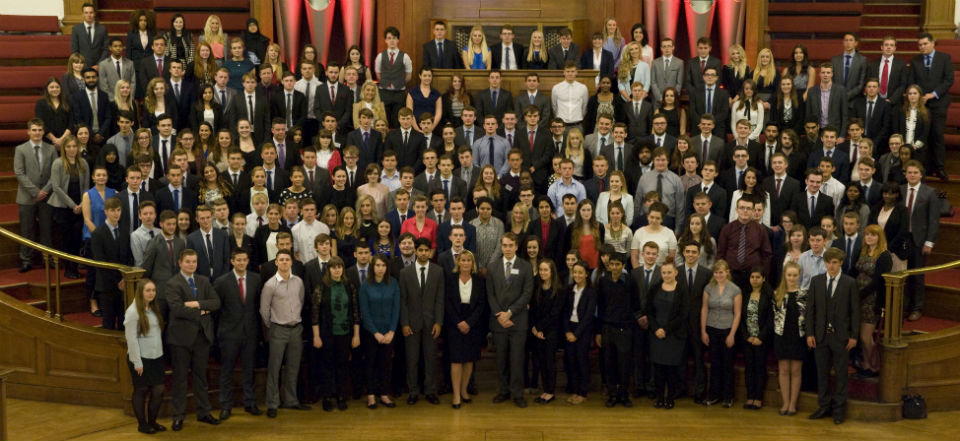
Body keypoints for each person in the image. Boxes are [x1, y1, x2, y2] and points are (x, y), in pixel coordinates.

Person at [164, 249, 221, 430]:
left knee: (201, 378)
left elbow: (216, 302)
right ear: (180, 263)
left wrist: (196, 304)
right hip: (180, 339)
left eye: (194, 261)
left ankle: (204, 412)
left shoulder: (203, 280)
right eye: (188, 261)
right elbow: (177, 309)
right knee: (180, 379)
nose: (191, 264)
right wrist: (202, 312)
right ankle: (178, 415)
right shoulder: (173, 283)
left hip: (202, 337)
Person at [806, 247, 859, 424]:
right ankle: (823, 406)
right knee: (822, 374)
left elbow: (855, 312)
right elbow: (810, 310)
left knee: (842, 375)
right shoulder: (816, 281)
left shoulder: (850, 283)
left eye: (834, 262)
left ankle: (839, 410)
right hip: (820, 336)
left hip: (841, 337)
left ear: (841, 263)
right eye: (828, 262)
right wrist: (810, 333)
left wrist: (854, 336)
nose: (831, 266)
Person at [212, 249, 262, 419]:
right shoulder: (221, 282)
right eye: (238, 260)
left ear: (248, 261)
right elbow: (216, 310)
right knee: (227, 371)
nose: (241, 263)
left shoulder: (256, 279)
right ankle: (226, 406)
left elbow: (257, 307)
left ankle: (250, 402)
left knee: (249, 369)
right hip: (229, 334)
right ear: (232, 261)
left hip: (250, 332)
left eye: (244, 260)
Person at [260, 249, 311, 417]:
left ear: (291, 262)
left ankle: (291, 400)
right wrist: (272, 326)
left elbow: (301, 301)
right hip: (278, 329)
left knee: (293, 367)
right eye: (281, 260)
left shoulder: (298, 282)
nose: (284, 262)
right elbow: (264, 310)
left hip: (296, 329)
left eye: (287, 260)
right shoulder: (269, 285)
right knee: (274, 368)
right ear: (276, 262)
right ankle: (273, 403)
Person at [487, 233, 534, 408]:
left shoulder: (526, 267)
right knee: (501, 359)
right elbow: (490, 294)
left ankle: (517, 393)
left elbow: (527, 294)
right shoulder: (492, 267)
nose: (507, 248)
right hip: (498, 321)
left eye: (510, 245)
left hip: (518, 321)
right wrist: (500, 314)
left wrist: (510, 313)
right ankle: (504, 391)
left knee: (517, 359)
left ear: (516, 246)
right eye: (504, 245)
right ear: (501, 246)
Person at [398, 238, 444, 404]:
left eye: (427, 250)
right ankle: (413, 392)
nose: (424, 253)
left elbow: (440, 299)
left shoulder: (438, 271)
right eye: (421, 250)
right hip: (411, 323)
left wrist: (439, 322)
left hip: (431, 323)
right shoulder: (405, 273)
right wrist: (404, 323)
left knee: (430, 358)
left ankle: (430, 391)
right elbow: (402, 300)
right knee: (412, 359)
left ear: (430, 252)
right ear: (416, 251)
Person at [443, 250, 486, 408]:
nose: (466, 263)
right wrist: (458, 322)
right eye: (463, 260)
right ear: (458, 262)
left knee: (469, 359)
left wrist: (469, 322)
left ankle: (464, 390)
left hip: (473, 324)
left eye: (469, 260)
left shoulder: (479, 280)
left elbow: (482, 304)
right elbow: (447, 303)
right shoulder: (450, 279)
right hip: (454, 323)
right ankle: (455, 395)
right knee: (456, 359)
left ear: (472, 263)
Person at [595, 252, 638, 407]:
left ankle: (624, 394)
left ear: (623, 266)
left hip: (624, 329)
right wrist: (599, 331)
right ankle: (612, 394)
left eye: (617, 264)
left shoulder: (630, 281)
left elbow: (635, 304)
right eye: (611, 264)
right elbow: (600, 306)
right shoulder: (603, 281)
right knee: (609, 363)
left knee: (624, 364)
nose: (614, 267)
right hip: (607, 328)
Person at [15, 119, 57, 274]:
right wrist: (35, 192)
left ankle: (48, 259)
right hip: (27, 197)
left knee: (47, 229)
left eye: (40, 130)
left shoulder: (51, 149)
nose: (37, 133)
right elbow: (19, 173)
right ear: (28, 132)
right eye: (34, 130)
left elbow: (55, 173)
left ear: (43, 131)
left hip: (46, 196)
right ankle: (26, 260)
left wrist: (44, 191)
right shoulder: (20, 149)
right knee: (27, 230)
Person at [125, 279, 166, 434]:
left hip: (157, 356)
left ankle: (152, 422)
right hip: (141, 358)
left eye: (153, 290)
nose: (151, 293)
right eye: (148, 290)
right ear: (140, 292)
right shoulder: (132, 312)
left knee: (159, 390)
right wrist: (137, 362)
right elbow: (131, 339)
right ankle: (142, 424)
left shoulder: (153, 308)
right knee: (141, 390)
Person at [700, 260, 741, 407]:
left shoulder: (735, 290)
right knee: (714, 363)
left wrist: (732, 334)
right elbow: (704, 309)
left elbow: (737, 313)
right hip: (711, 328)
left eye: (721, 272)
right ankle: (713, 395)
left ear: (727, 272)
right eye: (716, 272)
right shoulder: (708, 288)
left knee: (727, 364)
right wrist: (703, 331)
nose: (718, 275)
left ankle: (728, 396)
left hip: (727, 330)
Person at [902, 160, 939, 321]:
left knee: (917, 275)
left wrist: (929, 242)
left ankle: (917, 307)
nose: (912, 175)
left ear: (921, 175)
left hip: (919, 240)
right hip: (902, 240)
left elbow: (933, 220)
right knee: (901, 274)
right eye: (909, 172)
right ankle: (903, 306)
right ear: (905, 174)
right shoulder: (900, 190)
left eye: (915, 173)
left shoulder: (929, 192)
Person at [647, 261, 687, 410]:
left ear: (676, 272)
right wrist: (656, 329)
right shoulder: (655, 288)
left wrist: (666, 329)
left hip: (673, 335)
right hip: (656, 335)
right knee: (658, 369)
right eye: (664, 272)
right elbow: (649, 311)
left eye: (669, 272)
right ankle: (659, 397)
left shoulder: (682, 290)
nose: (666, 275)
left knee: (671, 369)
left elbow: (683, 314)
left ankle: (670, 397)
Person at [855, 225, 892, 378]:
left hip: (872, 299)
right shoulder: (863, 251)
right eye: (867, 235)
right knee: (862, 336)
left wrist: (861, 294)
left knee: (865, 336)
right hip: (858, 297)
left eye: (873, 235)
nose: (869, 237)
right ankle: (866, 363)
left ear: (879, 237)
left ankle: (875, 364)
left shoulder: (884, 255)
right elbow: (854, 270)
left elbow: (878, 280)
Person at [772, 261, 807, 415]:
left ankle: (793, 404)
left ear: (799, 276)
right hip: (781, 336)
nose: (792, 278)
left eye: (794, 275)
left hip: (798, 336)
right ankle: (785, 403)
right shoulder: (777, 294)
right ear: (784, 276)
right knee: (784, 370)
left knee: (796, 370)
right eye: (789, 275)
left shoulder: (804, 294)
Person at [718, 196, 772, 292]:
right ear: (737, 210)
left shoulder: (760, 230)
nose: (745, 211)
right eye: (742, 208)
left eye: (748, 208)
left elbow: (766, 255)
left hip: (753, 277)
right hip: (731, 275)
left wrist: (763, 276)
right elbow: (720, 253)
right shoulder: (727, 229)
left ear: (752, 211)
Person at [561, 260, 596, 404]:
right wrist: (568, 331)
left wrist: (576, 334)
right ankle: (575, 390)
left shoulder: (591, 292)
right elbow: (564, 312)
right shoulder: (569, 289)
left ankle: (582, 392)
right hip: (570, 329)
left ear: (586, 274)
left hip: (583, 331)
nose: (577, 275)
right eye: (575, 272)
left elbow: (588, 316)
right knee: (571, 361)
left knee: (582, 361)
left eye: (580, 272)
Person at [739, 268, 773, 410]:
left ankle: (758, 397)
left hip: (761, 339)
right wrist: (747, 336)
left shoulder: (769, 295)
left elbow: (770, 320)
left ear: (763, 279)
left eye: (758, 277)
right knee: (749, 368)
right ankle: (750, 396)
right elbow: (740, 318)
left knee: (759, 367)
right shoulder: (745, 294)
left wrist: (760, 337)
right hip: (747, 338)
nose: (754, 279)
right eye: (752, 276)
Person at [375, 27, 413, 127]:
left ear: (398, 40)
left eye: (394, 38)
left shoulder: (405, 56)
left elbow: (408, 76)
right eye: (389, 38)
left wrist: (399, 83)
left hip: (399, 93)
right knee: (384, 121)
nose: (392, 40)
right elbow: (378, 74)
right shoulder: (380, 56)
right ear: (385, 40)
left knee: (398, 122)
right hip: (384, 92)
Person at [806, 63, 849, 139]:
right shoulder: (811, 91)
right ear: (819, 74)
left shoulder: (841, 90)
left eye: (828, 72)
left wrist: (842, 135)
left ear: (832, 74)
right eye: (823, 72)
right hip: (817, 132)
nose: (825, 75)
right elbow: (808, 114)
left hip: (835, 131)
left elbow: (844, 115)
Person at [895, 84, 931, 167]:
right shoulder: (901, 111)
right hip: (902, 148)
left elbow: (925, 132)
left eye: (915, 93)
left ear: (919, 95)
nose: (912, 96)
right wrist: (902, 144)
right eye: (910, 93)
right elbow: (897, 129)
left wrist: (915, 146)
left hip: (918, 149)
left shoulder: (926, 112)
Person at [551, 63, 589, 131]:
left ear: (576, 72)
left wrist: (578, 118)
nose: (570, 74)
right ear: (564, 73)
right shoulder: (556, 88)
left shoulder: (583, 88)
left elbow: (584, 107)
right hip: (561, 126)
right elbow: (554, 107)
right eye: (568, 71)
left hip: (577, 125)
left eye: (572, 71)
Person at [71, 3, 108, 67]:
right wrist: (81, 64)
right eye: (86, 13)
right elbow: (74, 50)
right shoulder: (76, 29)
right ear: (82, 14)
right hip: (82, 66)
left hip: (99, 66)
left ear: (94, 14)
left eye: (91, 12)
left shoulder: (102, 29)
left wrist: (98, 64)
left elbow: (106, 49)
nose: (89, 15)